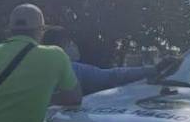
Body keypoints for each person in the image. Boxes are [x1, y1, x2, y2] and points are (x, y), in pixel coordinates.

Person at [43, 26, 172, 95]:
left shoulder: (30, 64)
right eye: (69, 43)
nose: (73, 46)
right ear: (60, 45)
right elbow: (112, 76)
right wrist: (154, 69)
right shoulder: (73, 69)